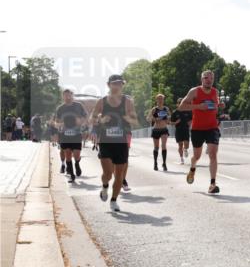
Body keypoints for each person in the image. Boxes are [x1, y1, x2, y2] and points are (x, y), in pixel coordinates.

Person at [90, 75, 138, 212]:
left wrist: (127, 117)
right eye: (114, 83)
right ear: (109, 85)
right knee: (108, 174)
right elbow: (91, 119)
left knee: (119, 174)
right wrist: (100, 120)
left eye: (120, 84)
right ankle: (105, 186)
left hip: (121, 142)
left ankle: (114, 200)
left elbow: (135, 120)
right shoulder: (102, 101)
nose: (117, 86)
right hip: (106, 141)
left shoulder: (127, 102)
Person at [179, 70, 225, 194]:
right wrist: (198, 106)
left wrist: (219, 106)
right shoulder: (194, 91)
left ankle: (212, 184)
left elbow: (213, 107)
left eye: (211, 78)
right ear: (201, 79)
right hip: (197, 128)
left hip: (212, 127)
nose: (209, 80)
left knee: (213, 154)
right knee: (197, 156)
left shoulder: (215, 92)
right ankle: (193, 167)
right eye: (206, 78)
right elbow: (181, 107)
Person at [53, 89, 88, 182]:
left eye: (69, 95)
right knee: (67, 153)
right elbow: (56, 121)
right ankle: (72, 175)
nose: (67, 97)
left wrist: (82, 122)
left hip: (76, 134)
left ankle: (77, 163)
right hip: (64, 134)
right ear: (63, 97)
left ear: (72, 96)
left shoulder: (78, 105)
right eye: (65, 95)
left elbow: (85, 117)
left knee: (76, 155)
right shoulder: (60, 108)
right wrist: (58, 125)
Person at [148, 94, 171, 171]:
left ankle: (164, 163)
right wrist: (155, 119)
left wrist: (168, 120)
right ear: (156, 100)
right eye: (159, 99)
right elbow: (148, 118)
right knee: (156, 147)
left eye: (162, 99)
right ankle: (155, 163)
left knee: (164, 146)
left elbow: (169, 119)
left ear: (163, 100)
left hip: (164, 129)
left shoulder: (166, 109)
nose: (160, 100)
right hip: (156, 130)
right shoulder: (154, 109)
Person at [171, 97, 192, 164]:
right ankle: (181, 158)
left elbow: (192, 118)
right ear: (177, 104)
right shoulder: (175, 112)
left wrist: (190, 122)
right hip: (178, 130)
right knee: (180, 145)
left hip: (186, 130)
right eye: (179, 103)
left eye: (182, 102)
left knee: (187, 145)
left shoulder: (188, 111)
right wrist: (176, 122)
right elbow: (171, 123)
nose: (181, 104)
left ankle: (185, 149)